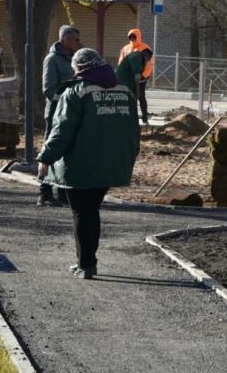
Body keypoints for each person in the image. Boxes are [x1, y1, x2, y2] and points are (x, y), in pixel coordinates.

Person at [37, 48, 140, 280]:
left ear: (80, 67)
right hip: (112, 163)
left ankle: (86, 264)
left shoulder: (76, 92)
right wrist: (129, 156)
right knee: (91, 210)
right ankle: (87, 261)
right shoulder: (124, 91)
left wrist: (45, 157)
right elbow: (133, 131)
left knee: (82, 213)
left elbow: (62, 131)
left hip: (81, 164)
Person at [38, 25, 82, 206]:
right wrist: (65, 101)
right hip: (56, 114)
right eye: (75, 40)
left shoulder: (73, 59)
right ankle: (44, 192)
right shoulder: (53, 59)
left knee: (66, 153)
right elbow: (48, 89)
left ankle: (63, 192)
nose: (78, 43)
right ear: (65, 40)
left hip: (69, 115)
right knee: (49, 150)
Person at [117, 28, 153, 125]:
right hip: (129, 79)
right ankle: (130, 118)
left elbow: (149, 64)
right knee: (129, 98)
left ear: (138, 37)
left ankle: (145, 118)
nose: (132, 39)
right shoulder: (126, 48)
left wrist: (143, 77)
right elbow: (121, 62)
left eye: (134, 37)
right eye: (130, 37)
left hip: (141, 79)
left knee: (141, 97)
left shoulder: (145, 48)